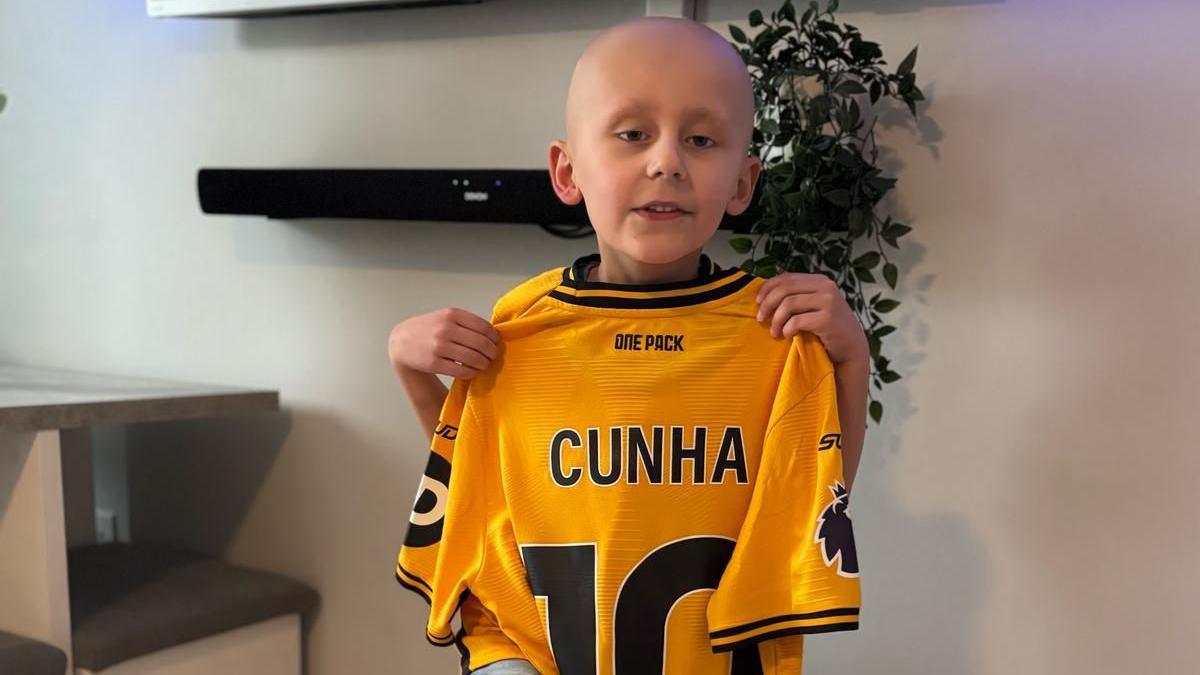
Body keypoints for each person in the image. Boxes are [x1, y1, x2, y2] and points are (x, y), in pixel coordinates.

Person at [389, 16, 869, 674]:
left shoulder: (771, 330)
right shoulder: (521, 328)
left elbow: (815, 500)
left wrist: (850, 358)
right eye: (632, 134)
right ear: (568, 170)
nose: (666, 160)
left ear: (742, 182)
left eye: (701, 139)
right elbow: (483, 486)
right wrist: (411, 367)